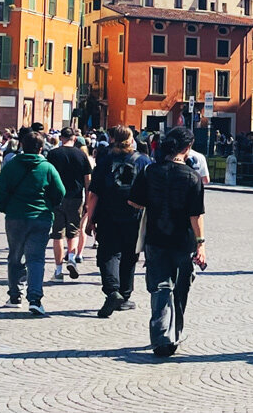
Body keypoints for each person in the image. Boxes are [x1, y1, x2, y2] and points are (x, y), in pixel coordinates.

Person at [127, 127, 206, 357]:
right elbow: (196, 215)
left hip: (156, 237)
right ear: (187, 148)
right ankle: (176, 333)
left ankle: (161, 337)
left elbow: (134, 202)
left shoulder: (150, 171)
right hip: (183, 240)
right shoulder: (192, 177)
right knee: (181, 288)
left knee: (160, 287)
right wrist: (201, 243)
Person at [0, 129, 65, 315]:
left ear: (22, 147)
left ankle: (15, 296)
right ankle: (35, 298)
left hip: (16, 217)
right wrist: (49, 205)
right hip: (40, 217)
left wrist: (5, 208)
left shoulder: (11, 166)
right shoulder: (47, 168)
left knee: (15, 256)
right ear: (41, 148)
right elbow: (60, 191)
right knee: (36, 258)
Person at [85, 125, 152, 317]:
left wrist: (90, 220)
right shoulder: (144, 161)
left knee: (108, 254)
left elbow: (94, 193)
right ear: (131, 140)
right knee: (130, 256)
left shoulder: (105, 161)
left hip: (107, 214)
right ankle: (125, 295)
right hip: (135, 215)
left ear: (113, 139)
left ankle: (112, 291)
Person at [46, 128, 92, 280]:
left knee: (57, 234)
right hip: (76, 197)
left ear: (61, 138)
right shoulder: (81, 155)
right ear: (75, 138)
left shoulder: (53, 154)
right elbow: (88, 180)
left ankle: (58, 270)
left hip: (57, 197)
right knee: (74, 231)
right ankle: (71, 257)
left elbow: (48, 176)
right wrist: (88, 201)